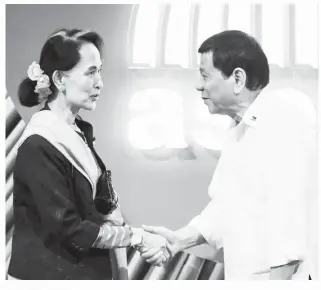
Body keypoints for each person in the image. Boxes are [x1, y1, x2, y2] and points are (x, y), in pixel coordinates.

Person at [140, 30, 317, 280]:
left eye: (205, 75)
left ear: (237, 78)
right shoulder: (239, 129)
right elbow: (226, 206)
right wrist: (180, 239)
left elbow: (287, 223)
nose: (198, 85)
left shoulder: (282, 119)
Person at [7, 28, 169, 280]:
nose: (100, 83)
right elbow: (70, 229)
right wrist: (136, 237)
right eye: (90, 72)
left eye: (99, 71)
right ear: (60, 79)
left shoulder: (78, 131)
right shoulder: (38, 145)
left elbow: (100, 205)